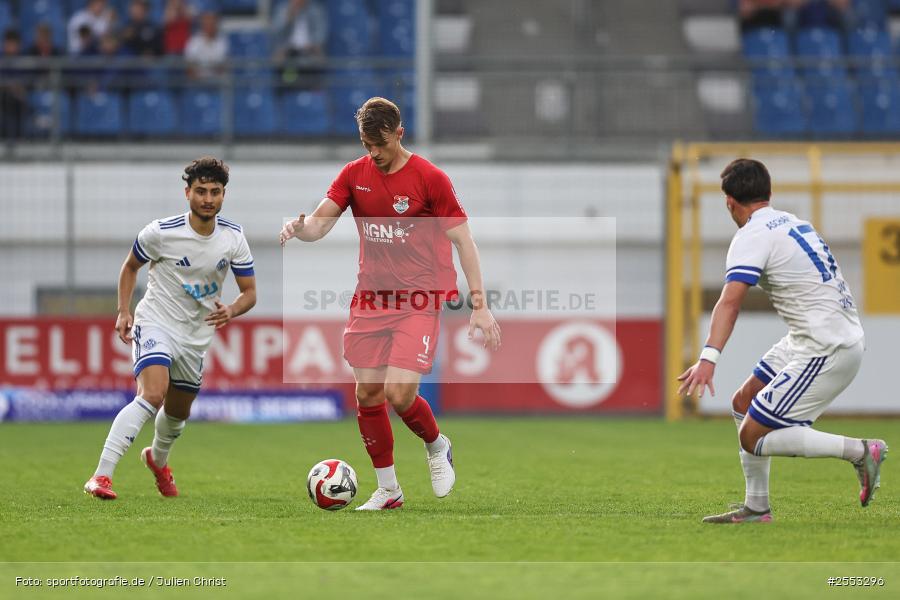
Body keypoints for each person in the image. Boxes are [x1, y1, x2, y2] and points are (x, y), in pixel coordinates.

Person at [279, 97, 501, 510]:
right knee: (367, 393)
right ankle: (389, 490)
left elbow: (463, 241)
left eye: (380, 144)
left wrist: (480, 305)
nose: (374, 153)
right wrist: (301, 229)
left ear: (399, 133)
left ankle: (436, 445)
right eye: (366, 145)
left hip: (419, 298)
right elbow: (320, 223)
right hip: (370, 299)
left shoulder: (430, 178)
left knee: (399, 394)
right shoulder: (354, 174)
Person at [677, 158, 887, 523]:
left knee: (752, 436)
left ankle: (860, 451)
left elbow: (730, 301)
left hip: (826, 347)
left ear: (729, 202)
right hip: (817, 337)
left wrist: (708, 358)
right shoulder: (793, 222)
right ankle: (757, 507)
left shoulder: (752, 235)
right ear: (769, 193)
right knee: (743, 402)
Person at [84, 157, 257, 500]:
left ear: (224, 195)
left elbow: (249, 293)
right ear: (187, 193)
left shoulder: (233, 237)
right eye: (201, 191)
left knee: (178, 413)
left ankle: (158, 460)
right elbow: (130, 267)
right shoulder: (161, 232)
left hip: (195, 336)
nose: (208, 198)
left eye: (215, 192)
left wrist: (232, 310)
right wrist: (123, 311)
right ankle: (101, 476)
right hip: (156, 322)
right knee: (152, 394)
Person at [184, 12, 228, 79]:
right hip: (197, 80)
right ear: (203, 24)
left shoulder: (223, 41)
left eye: (212, 23)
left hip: (217, 80)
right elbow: (189, 65)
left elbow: (223, 66)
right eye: (207, 23)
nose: (210, 25)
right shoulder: (194, 41)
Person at [0, 29, 26, 139]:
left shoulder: (23, 60)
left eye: (14, 44)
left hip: (17, 97)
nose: (11, 47)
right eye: (9, 43)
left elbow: (26, 81)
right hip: (3, 95)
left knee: (14, 100)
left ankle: (17, 137)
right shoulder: (1, 58)